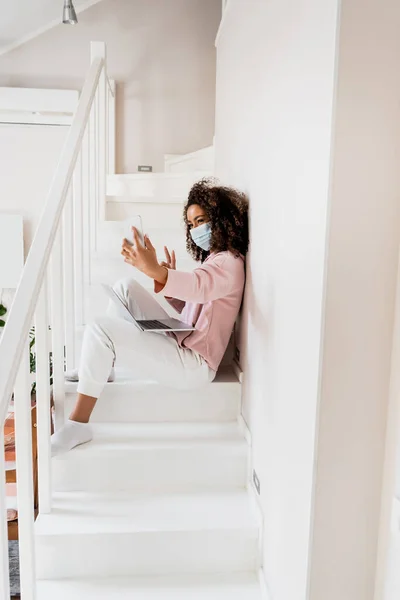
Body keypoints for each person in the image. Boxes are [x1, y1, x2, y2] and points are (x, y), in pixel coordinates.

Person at [51, 179, 249, 454]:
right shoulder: (216, 258)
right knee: (125, 288)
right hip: (184, 339)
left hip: (194, 365)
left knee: (100, 328)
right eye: (191, 225)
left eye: (201, 220)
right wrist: (166, 283)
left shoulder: (229, 261)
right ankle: (103, 367)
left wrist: (156, 271)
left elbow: (199, 287)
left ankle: (78, 423)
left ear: (221, 219)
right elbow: (198, 302)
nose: (196, 230)